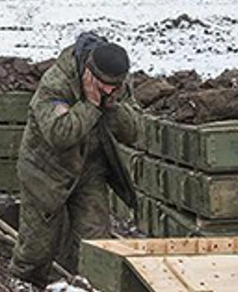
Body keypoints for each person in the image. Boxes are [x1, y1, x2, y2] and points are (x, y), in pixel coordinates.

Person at [9, 31, 141, 286]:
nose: (108, 91)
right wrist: (91, 106)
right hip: (45, 170)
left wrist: (112, 106)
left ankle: (85, 286)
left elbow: (134, 132)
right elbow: (59, 134)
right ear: (88, 71)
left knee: (94, 244)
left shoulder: (117, 83)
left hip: (89, 169)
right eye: (103, 85)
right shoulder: (56, 82)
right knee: (37, 249)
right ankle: (22, 284)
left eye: (115, 87)